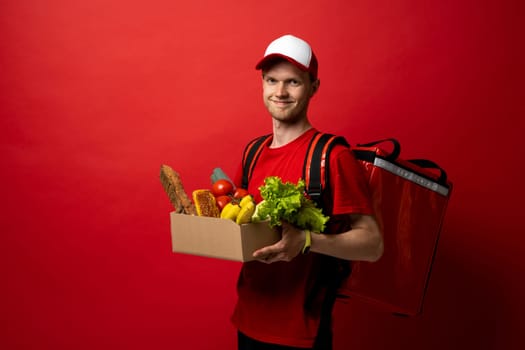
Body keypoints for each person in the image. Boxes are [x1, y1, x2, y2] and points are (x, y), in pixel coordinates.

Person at [231, 34, 384, 350]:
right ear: (262, 84)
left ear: (313, 87)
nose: (280, 92)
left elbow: (373, 244)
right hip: (247, 318)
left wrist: (307, 241)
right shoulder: (252, 152)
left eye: (293, 82)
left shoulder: (332, 155)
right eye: (272, 80)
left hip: (301, 332)